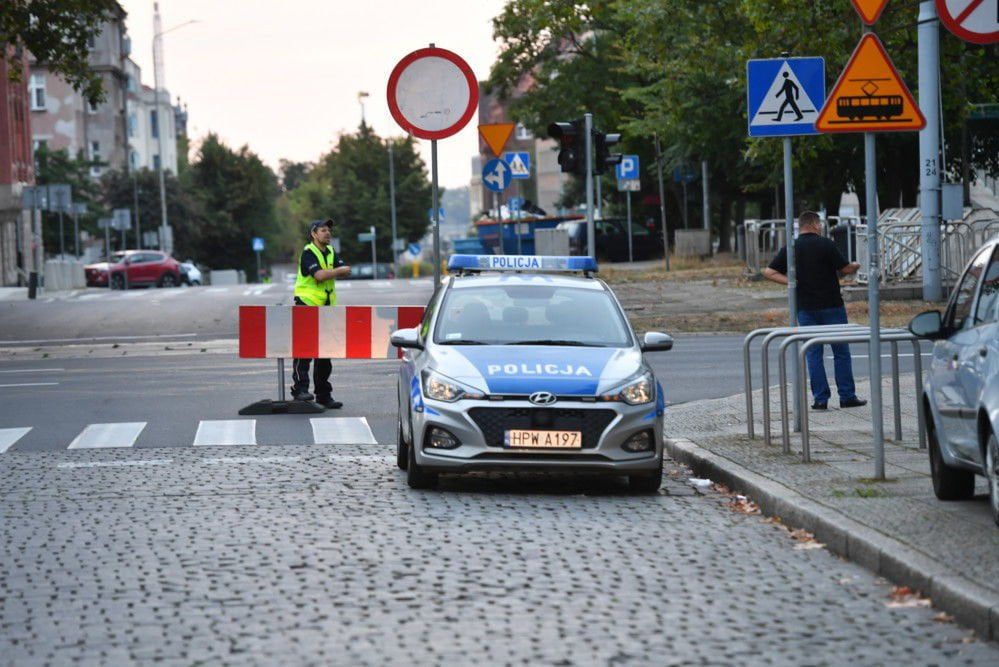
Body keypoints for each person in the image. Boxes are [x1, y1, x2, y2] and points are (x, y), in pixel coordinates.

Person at [763, 211, 867, 410]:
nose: (820, 227)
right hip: (832, 306)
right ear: (813, 224)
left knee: (813, 353)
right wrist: (855, 265)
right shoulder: (825, 244)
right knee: (841, 352)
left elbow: (768, 272)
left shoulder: (791, 247)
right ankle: (847, 396)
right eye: (818, 224)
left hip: (805, 308)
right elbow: (844, 269)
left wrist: (791, 281)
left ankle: (820, 399)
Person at [292, 219, 351, 408]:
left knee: (325, 353)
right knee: (304, 350)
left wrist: (336, 270)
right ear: (313, 234)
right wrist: (337, 270)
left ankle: (323, 394)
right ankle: (300, 390)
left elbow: (344, 270)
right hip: (307, 305)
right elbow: (319, 275)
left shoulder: (331, 251)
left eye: (329, 230)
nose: (328, 233)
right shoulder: (309, 253)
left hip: (326, 308)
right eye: (323, 230)